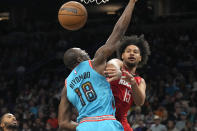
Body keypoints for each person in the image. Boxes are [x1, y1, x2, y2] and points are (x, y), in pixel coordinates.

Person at [58, 0, 138, 130]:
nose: (86, 53)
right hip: (107, 123)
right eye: (83, 52)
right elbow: (119, 31)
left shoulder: (66, 87)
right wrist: (131, 3)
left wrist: (86, 126)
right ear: (79, 58)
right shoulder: (94, 63)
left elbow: (63, 123)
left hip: (84, 126)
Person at [105, 35, 151, 131]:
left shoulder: (140, 81)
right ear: (122, 55)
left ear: (140, 58)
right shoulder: (117, 63)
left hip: (121, 121)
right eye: (128, 51)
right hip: (104, 117)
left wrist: (133, 83)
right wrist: (118, 72)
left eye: (135, 52)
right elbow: (112, 64)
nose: (131, 54)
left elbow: (140, 102)